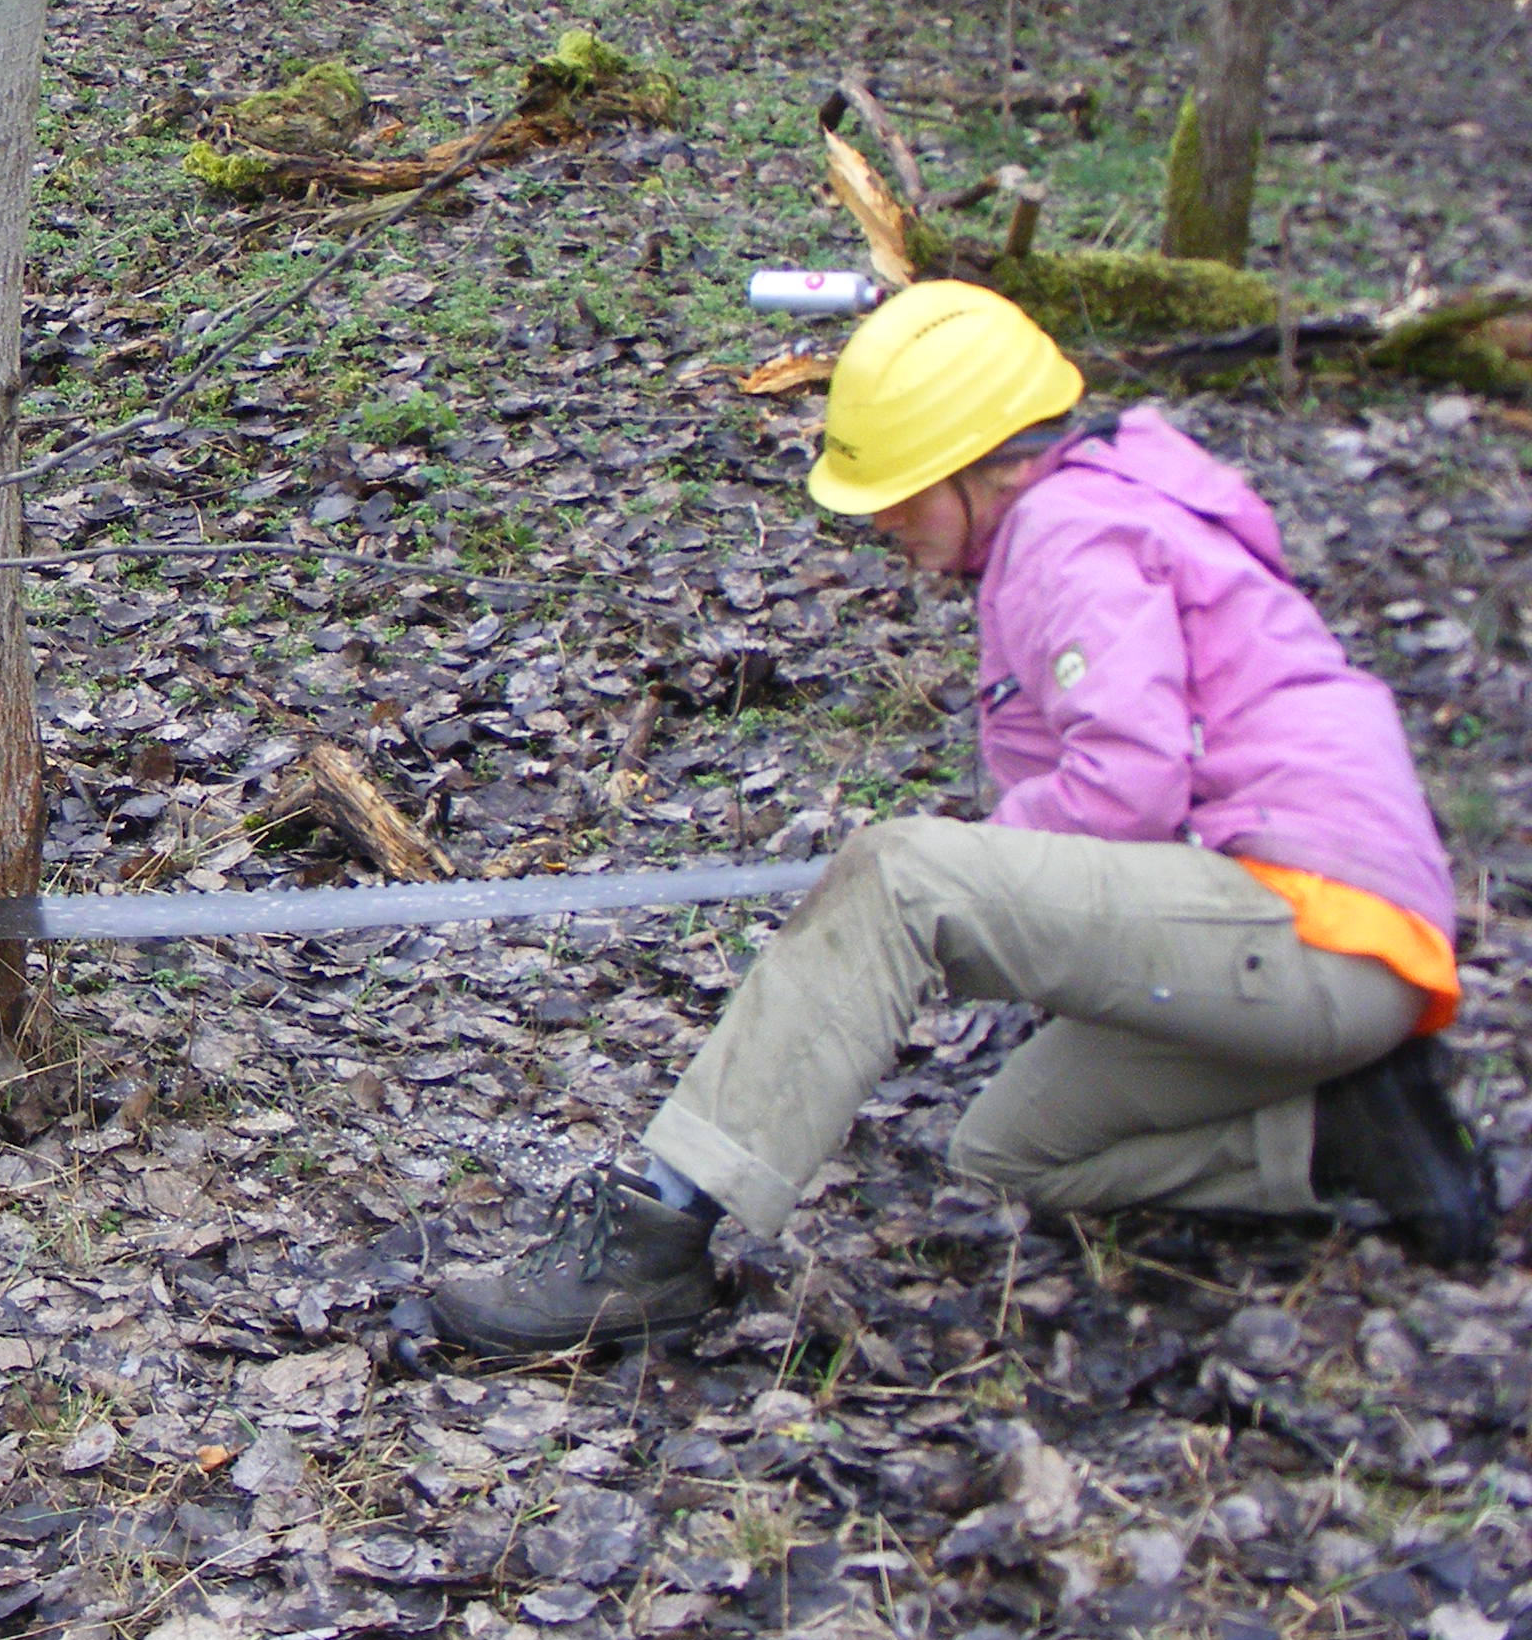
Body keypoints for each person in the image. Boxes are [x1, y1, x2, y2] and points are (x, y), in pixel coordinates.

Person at [418, 281, 1493, 1358]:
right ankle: (1343, 1137)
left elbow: (1130, 786)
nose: (884, 523)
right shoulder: (1096, 518)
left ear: (987, 468)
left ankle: (652, 1244)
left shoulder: (1070, 531)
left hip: (1309, 920)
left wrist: (939, 882)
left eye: (901, 494)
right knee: (1012, 1147)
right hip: (1328, 962)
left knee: (900, 873)